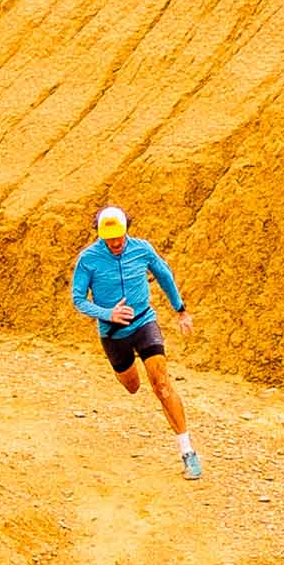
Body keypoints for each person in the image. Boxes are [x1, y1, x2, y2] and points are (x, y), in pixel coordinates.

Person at [70, 204, 202, 479]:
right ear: (99, 235)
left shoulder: (142, 249)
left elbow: (164, 276)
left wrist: (181, 310)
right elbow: (78, 299)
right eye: (110, 239)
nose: (116, 243)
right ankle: (128, 374)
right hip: (112, 333)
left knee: (162, 385)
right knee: (132, 386)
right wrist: (108, 313)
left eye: (119, 236)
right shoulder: (88, 259)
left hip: (144, 322)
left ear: (127, 230)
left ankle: (188, 452)